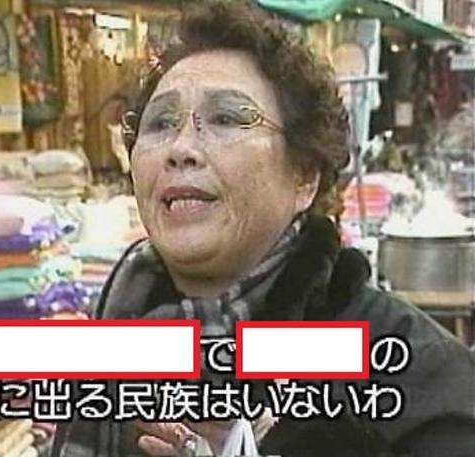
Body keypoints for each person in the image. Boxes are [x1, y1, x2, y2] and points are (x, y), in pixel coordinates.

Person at [52, 2, 475, 456]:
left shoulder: (414, 375)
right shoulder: (110, 342)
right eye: (160, 124)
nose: (181, 148)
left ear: (304, 176)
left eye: (226, 119)